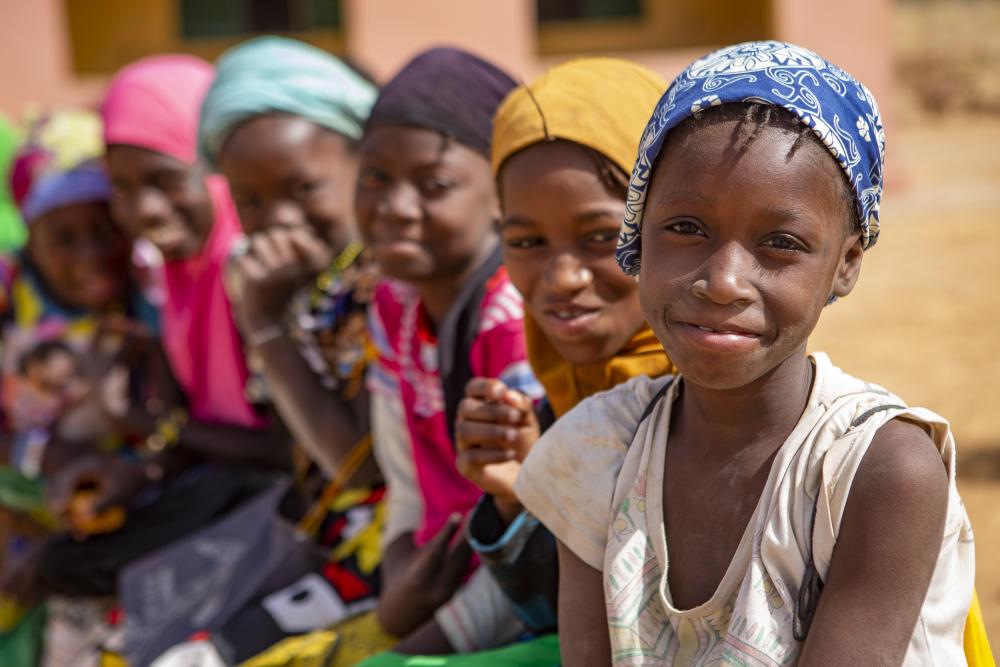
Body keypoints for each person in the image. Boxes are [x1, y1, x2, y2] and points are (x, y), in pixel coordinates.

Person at [515, 41, 975, 665]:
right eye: (685, 228)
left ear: (844, 265)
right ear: (637, 235)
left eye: (780, 242)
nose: (724, 281)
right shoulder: (598, 450)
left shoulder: (877, 473)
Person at [453, 57, 673, 640]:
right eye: (526, 241)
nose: (562, 278)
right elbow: (558, 618)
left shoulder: (727, 400)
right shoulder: (556, 399)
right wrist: (523, 490)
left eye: (601, 237)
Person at [196, 36, 384, 658]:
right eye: (249, 199)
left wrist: (267, 324)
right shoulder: (277, 280)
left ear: (366, 165)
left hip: (393, 547)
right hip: (318, 530)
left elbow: (357, 465)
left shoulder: (386, 283)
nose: (278, 218)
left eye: (303, 189)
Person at [358, 47, 542, 655]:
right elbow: (406, 476)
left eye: (433, 185)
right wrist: (397, 577)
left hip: (519, 604)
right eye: (375, 177)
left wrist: (414, 645)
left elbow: (538, 518)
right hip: (429, 588)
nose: (394, 208)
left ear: (500, 193)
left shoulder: (514, 318)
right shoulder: (395, 304)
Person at [97, 54, 289, 474]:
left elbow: (286, 449)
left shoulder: (260, 270)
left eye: (166, 180)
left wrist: (149, 423)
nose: (144, 209)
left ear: (218, 167)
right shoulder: (167, 276)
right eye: (122, 187)